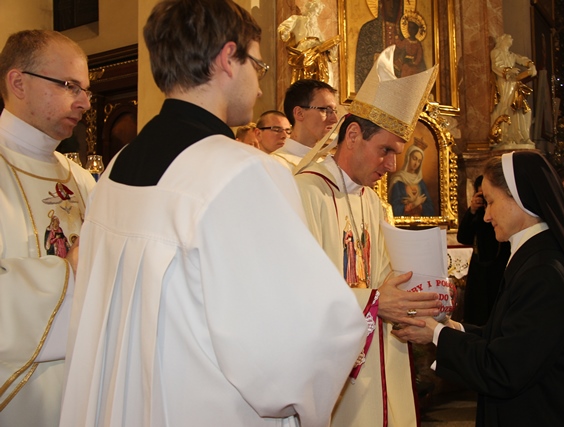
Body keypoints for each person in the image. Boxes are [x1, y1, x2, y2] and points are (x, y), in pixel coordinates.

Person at [59, 1, 367, 426]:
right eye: (257, 66)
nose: (258, 88)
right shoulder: (242, 171)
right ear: (227, 58)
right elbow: (295, 342)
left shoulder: (116, 168)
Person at [393, 151, 564, 426]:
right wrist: (450, 328)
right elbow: (509, 337)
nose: (486, 216)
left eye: (491, 202)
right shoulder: (537, 255)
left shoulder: (544, 271)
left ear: (519, 198)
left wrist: (435, 334)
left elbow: (504, 368)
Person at [295, 45, 439, 427]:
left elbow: (386, 277)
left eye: (397, 153)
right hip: (336, 372)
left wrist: (426, 293)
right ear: (354, 135)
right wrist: (374, 301)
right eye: (385, 150)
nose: (392, 165)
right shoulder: (305, 193)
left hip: (379, 361)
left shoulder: (372, 202)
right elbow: (296, 292)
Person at [0, 30, 95, 427]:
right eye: (69, 85)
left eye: (86, 90)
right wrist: (69, 272)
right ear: (18, 83)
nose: (84, 102)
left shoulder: (82, 180)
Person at [456, 175, 510, 325]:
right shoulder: (478, 213)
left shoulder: (501, 212)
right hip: (479, 268)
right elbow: (463, 237)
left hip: (500, 265)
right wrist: (472, 211)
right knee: (478, 312)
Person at [271, 78, 338, 171]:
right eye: (325, 110)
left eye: (334, 111)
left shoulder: (327, 164)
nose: (335, 119)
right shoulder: (274, 164)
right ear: (299, 113)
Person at [490, 34, 537, 146]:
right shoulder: (496, 52)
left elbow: (522, 59)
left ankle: (521, 136)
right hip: (504, 82)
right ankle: (505, 136)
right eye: (509, 37)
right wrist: (508, 71)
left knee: (521, 109)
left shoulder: (511, 55)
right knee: (506, 106)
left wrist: (531, 65)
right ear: (502, 40)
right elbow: (496, 65)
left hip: (514, 83)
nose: (512, 39)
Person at [277, 0, 339, 85]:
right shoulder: (298, 19)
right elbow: (284, 28)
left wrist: (331, 47)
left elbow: (324, 46)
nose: (316, 14)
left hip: (318, 56)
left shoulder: (317, 29)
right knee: (305, 78)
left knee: (321, 79)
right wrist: (284, 32)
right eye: (315, 11)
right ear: (309, 9)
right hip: (304, 52)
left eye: (318, 12)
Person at [388, 138, 435, 216]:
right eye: (414, 159)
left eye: (419, 161)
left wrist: (419, 205)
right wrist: (413, 204)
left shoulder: (420, 182)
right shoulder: (398, 180)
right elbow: (394, 209)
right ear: (408, 157)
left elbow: (431, 210)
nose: (416, 163)